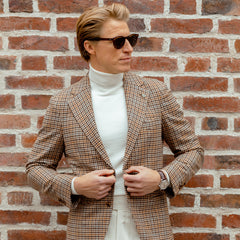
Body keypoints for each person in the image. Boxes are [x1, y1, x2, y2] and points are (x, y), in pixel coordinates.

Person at [26, 3, 204, 240]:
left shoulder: (155, 92)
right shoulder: (64, 103)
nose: (129, 48)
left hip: (149, 226)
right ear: (90, 46)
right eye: (118, 41)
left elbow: (192, 150)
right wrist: (75, 185)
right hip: (89, 228)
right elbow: (36, 167)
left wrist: (161, 178)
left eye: (132, 39)